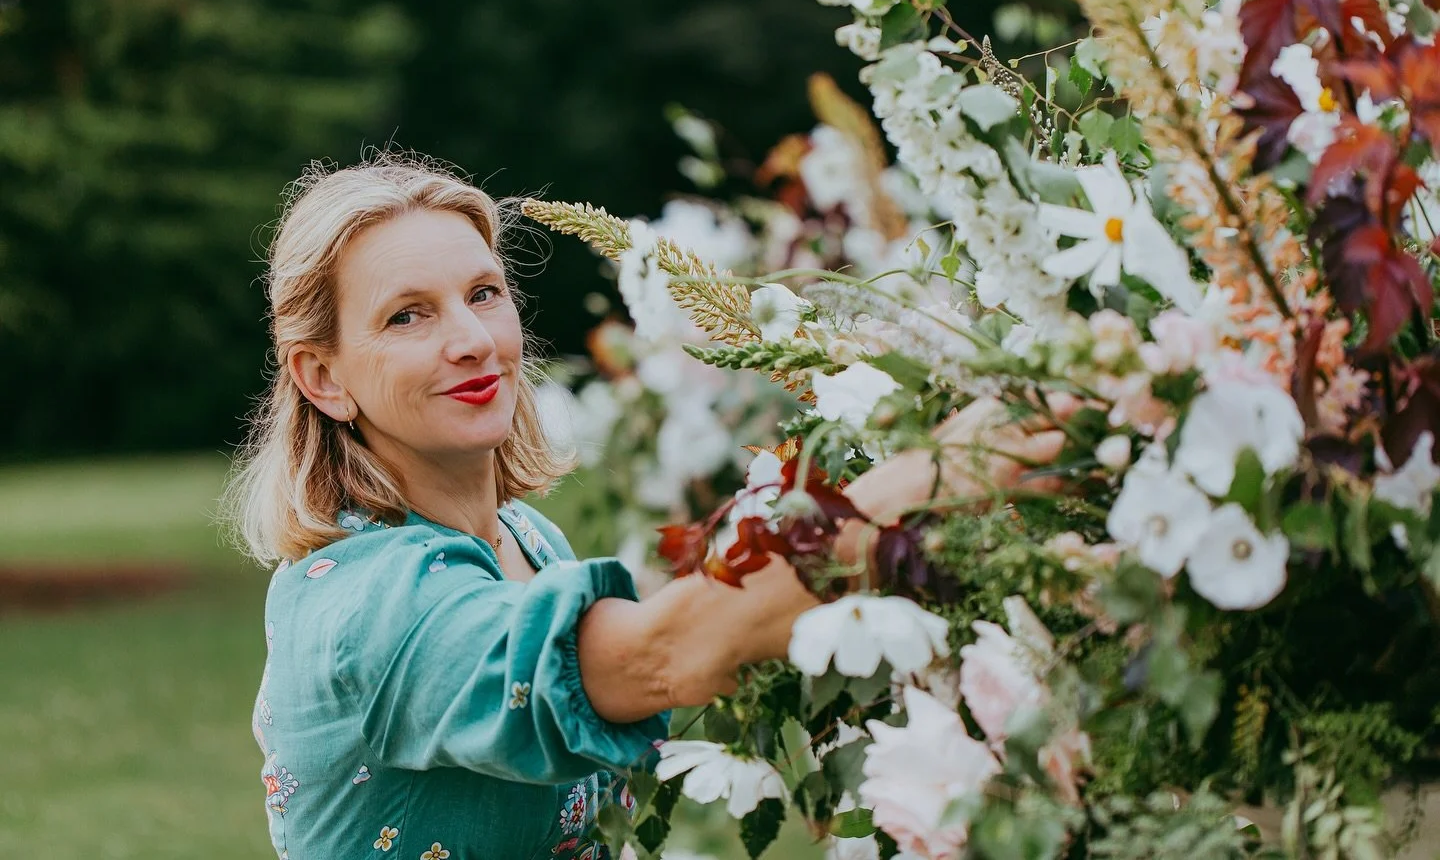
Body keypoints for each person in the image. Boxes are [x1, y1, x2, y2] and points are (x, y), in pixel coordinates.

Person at [220, 152, 1073, 860]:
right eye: (408, 316)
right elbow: (661, 653)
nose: (473, 339)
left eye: (484, 293)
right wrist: (902, 490)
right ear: (323, 378)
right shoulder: (361, 607)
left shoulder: (528, 538)